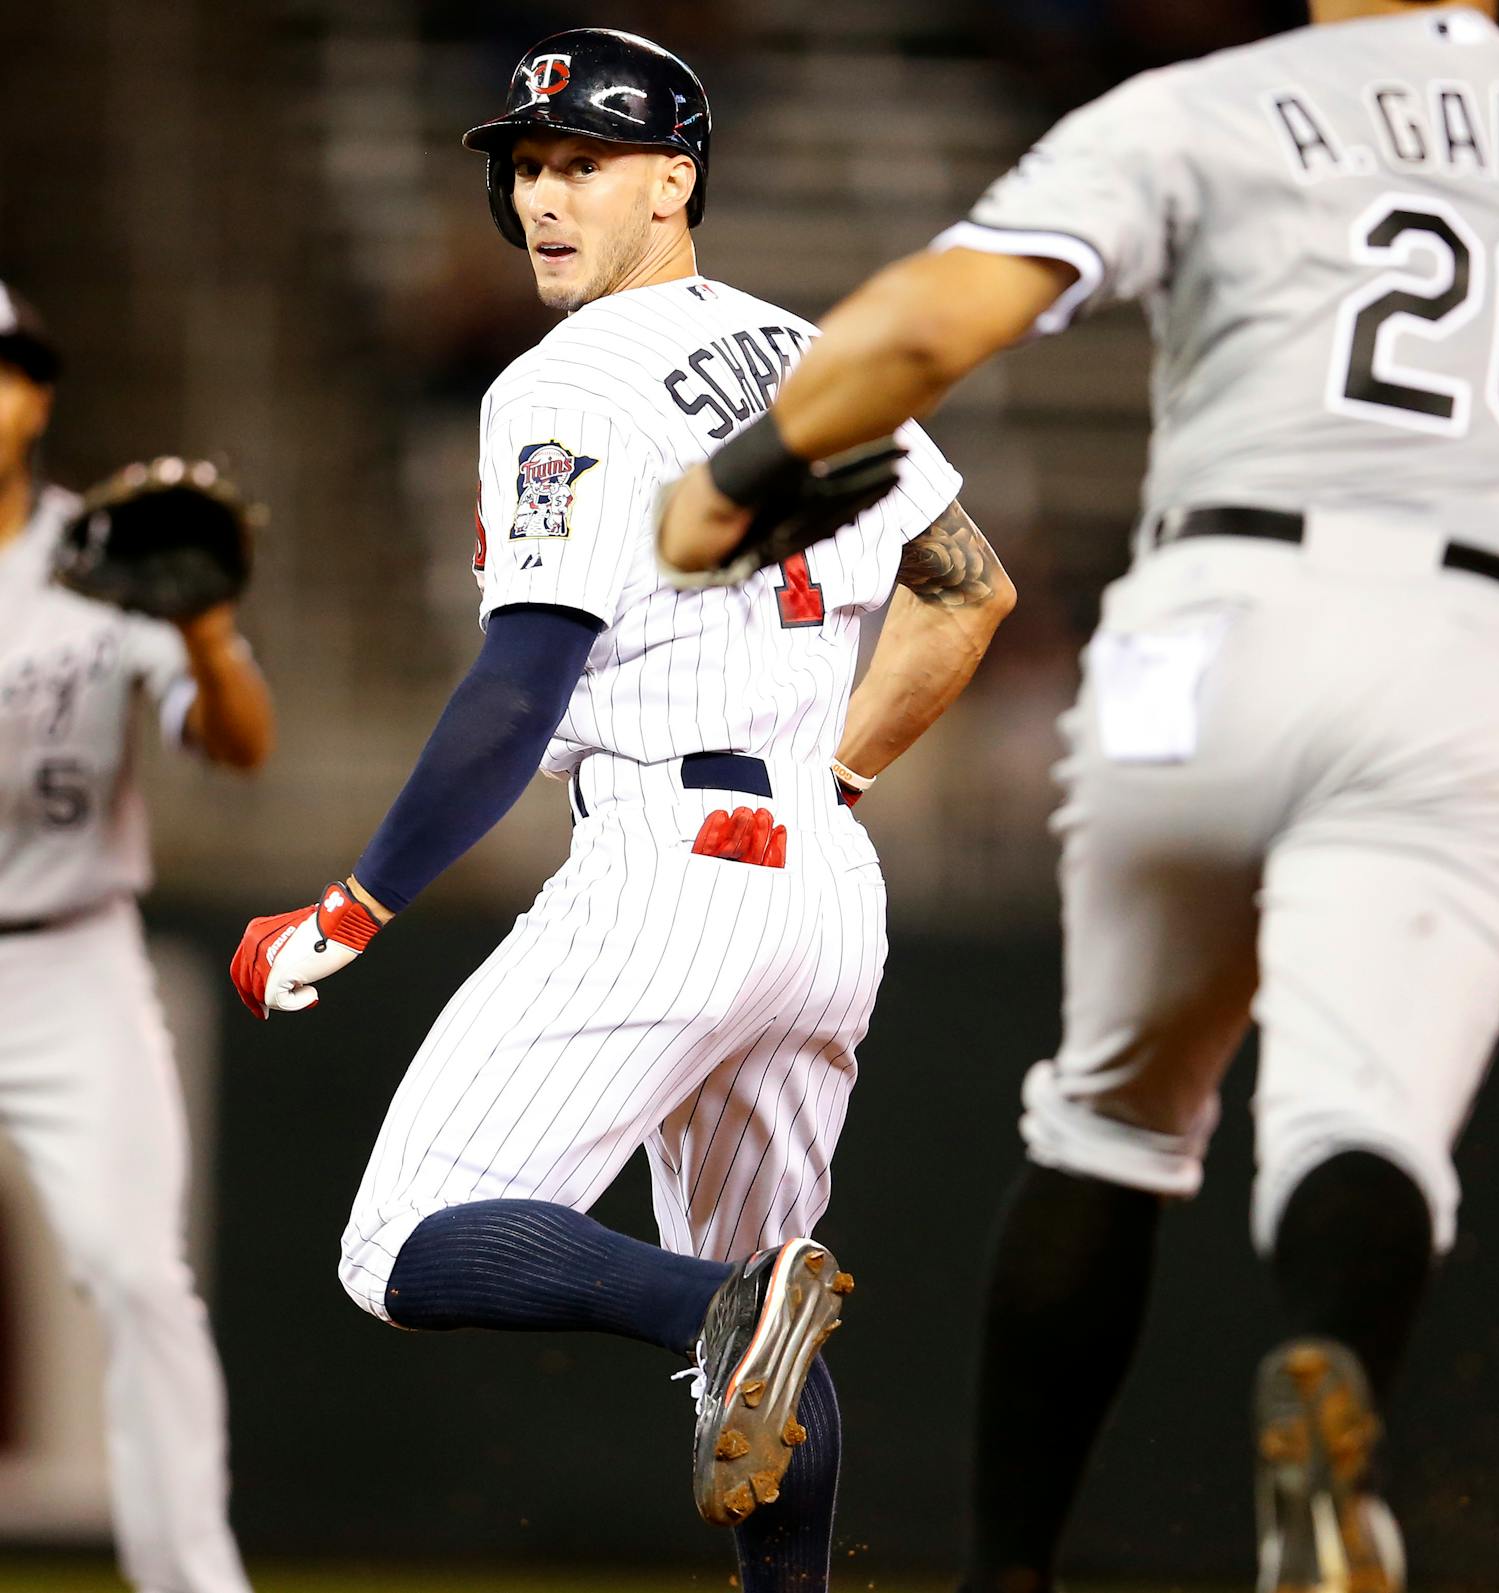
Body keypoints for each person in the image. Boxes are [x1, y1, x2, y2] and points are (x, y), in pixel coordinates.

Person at [655, 3, 1499, 1590]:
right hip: (1469, 656)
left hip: (1199, 634)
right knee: (1361, 1125)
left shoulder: (1213, 100)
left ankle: (1008, 1577)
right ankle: (1328, 1376)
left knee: (1109, 1124)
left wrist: (741, 471)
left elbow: (935, 324)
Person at [224, 27, 1014, 1585]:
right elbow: (969, 592)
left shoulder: (564, 380)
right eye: (526, 166)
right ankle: (741, 1360)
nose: (542, 197)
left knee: (403, 1244)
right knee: (762, 1325)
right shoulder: (815, 351)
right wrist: (834, 776)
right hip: (822, 885)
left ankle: (709, 1306)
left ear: (678, 176)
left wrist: (358, 902)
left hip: (669, 864)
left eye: (584, 161)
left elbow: (522, 683)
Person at [0, 281, 275, 1593]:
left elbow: (239, 744)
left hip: (68, 956)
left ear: (38, 399)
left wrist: (209, 635)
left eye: (4, 369)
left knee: (136, 1275)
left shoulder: (104, 560)